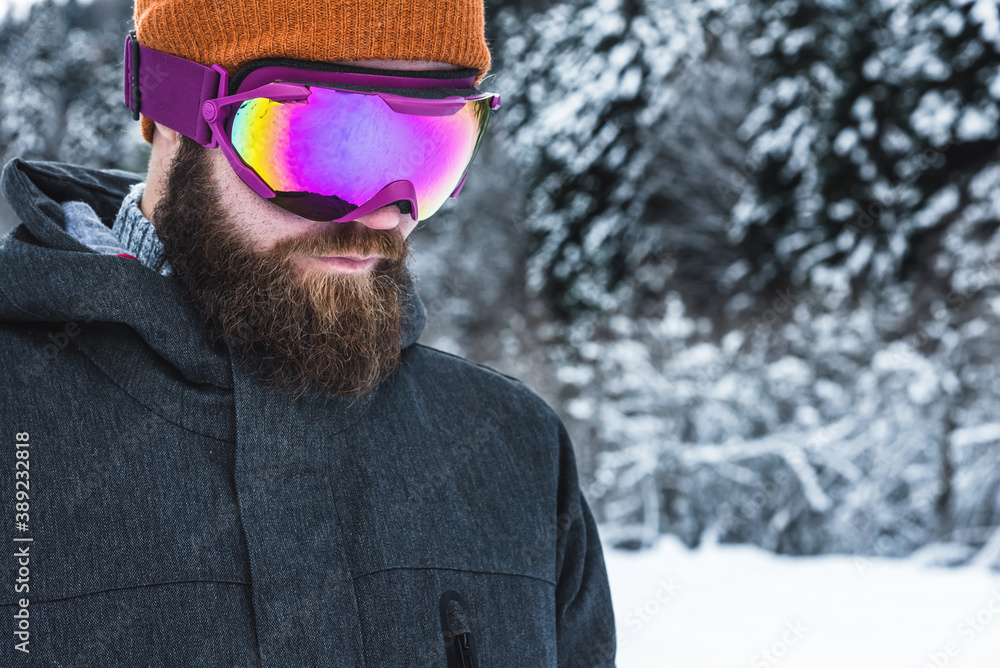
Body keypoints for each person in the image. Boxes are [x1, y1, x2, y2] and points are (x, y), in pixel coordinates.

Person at [0, 0, 616, 665]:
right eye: (322, 141)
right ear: (174, 109)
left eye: (429, 149)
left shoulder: (516, 450)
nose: (384, 215)